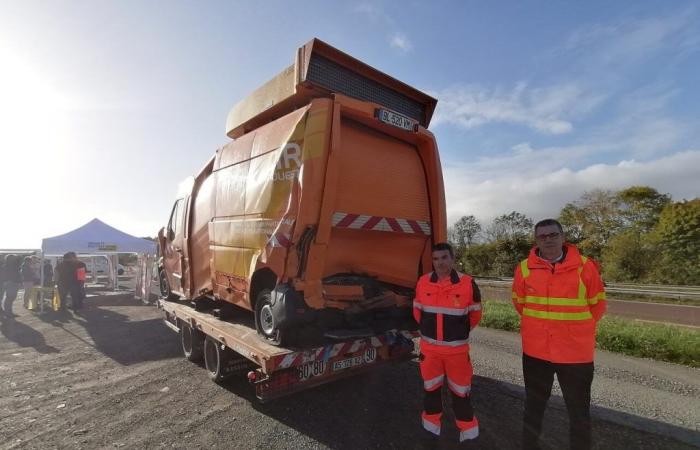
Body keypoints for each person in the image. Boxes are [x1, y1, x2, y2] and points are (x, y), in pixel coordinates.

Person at [511, 219, 607, 450]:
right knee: (533, 407)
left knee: (578, 412)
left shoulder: (586, 267)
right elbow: (519, 303)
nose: (548, 240)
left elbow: (598, 306)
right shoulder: (524, 268)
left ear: (563, 237)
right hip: (536, 352)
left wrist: (570, 331)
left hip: (575, 355)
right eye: (542, 236)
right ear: (536, 241)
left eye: (553, 234)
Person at [413, 242, 482, 443]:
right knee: (431, 392)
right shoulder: (423, 282)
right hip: (430, 352)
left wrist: (456, 334)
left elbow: (475, 316)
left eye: (444, 258)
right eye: (435, 259)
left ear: (452, 258)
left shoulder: (468, 283)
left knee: (461, 394)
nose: (440, 262)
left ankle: (469, 435)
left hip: (457, 353)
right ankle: (430, 432)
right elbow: (418, 312)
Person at [1, 254, 22, 318]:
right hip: (11, 283)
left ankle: (9, 312)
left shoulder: (9, 266)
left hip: (12, 283)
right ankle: (8, 313)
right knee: (9, 298)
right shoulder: (9, 266)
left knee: (10, 298)